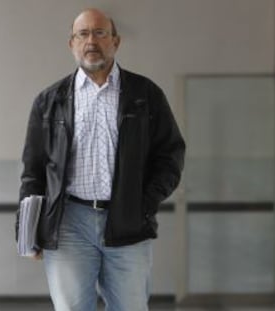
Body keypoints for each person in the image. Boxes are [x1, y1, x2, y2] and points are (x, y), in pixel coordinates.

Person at [17, 8, 185, 311]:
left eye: (99, 33)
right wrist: (27, 230)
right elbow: (33, 171)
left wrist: (143, 204)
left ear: (115, 42)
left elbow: (170, 155)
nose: (90, 41)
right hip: (68, 224)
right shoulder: (49, 100)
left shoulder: (145, 94)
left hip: (128, 223)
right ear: (71, 44)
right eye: (82, 34)